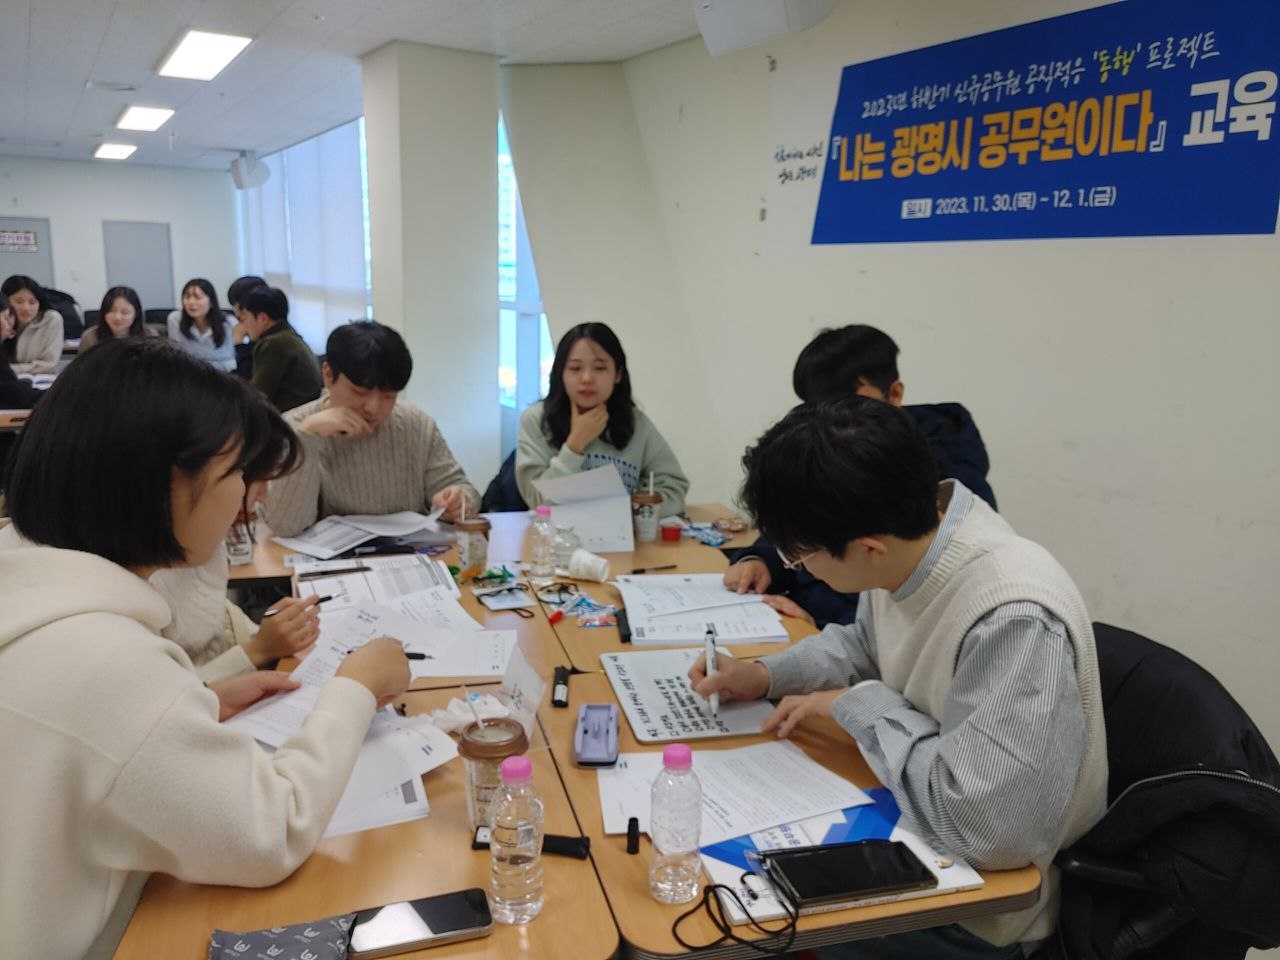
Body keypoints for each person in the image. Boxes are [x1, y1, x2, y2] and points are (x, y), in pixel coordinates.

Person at [0, 337, 411, 960]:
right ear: (157, 483)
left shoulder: (29, 580)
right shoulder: (106, 662)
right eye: (235, 475)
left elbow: (89, 738)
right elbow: (272, 830)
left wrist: (193, 699)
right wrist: (357, 684)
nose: (249, 497)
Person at [690, 398, 1105, 959]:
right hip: (914, 823)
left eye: (800, 556)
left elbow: (989, 832)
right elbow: (867, 644)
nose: (797, 567)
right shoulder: (912, 542)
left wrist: (862, 704)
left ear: (867, 549)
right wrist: (763, 676)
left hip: (973, 909)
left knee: (715, 919)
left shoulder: (1012, 618)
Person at [725, 325, 997, 628]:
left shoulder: (927, 474)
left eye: (848, 402)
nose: (833, 416)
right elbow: (801, 523)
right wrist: (760, 560)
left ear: (894, 393)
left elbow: (890, 618)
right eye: (817, 405)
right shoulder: (828, 448)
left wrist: (819, 629)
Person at [150, 387, 323, 682]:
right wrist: (260, 648)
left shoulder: (206, 538)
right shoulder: (146, 576)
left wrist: (270, 632)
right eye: (252, 479)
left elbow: (217, 614)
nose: (263, 496)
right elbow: (172, 695)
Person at [265, 320, 479, 536]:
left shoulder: (416, 425)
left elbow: (461, 488)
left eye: (388, 396)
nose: (373, 408)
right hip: (328, 555)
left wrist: (457, 500)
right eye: (359, 392)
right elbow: (285, 526)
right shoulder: (291, 427)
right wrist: (307, 438)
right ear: (328, 375)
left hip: (407, 552)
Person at [515, 322, 688, 515]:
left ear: (617, 374)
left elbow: (674, 488)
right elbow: (537, 501)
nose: (587, 378)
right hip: (556, 533)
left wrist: (630, 510)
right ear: (560, 373)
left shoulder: (636, 423)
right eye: (575, 368)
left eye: (599, 368)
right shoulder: (537, 420)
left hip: (623, 531)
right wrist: (575, 444)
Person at [238, 285, 322, 411]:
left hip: (289, 415)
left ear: (263, 319)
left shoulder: (273, 344)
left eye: (245, 318)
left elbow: (258, 396)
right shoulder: (288, 336)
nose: (243, 324)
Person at [166, 277, 236, 372]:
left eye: (197, 297)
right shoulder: (175, 320)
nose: (191, 302)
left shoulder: (229, 323)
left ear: (211, 302)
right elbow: (177, 357)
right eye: (187, 297)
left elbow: (232, 361)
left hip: (223, 375)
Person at [1, 275, 63, 375]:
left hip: (41, 378)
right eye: (19, 302)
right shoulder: (2, 321)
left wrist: (11, 369)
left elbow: (49, 364)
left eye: (32, 302)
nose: (26, 308)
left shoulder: (51, 319)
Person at [78, 286, 157, 352]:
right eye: (112, 311)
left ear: (136, 314)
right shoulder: (90, 337)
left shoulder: (149, 335)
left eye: (125, 312)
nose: (117, 317)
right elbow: (81, 365)